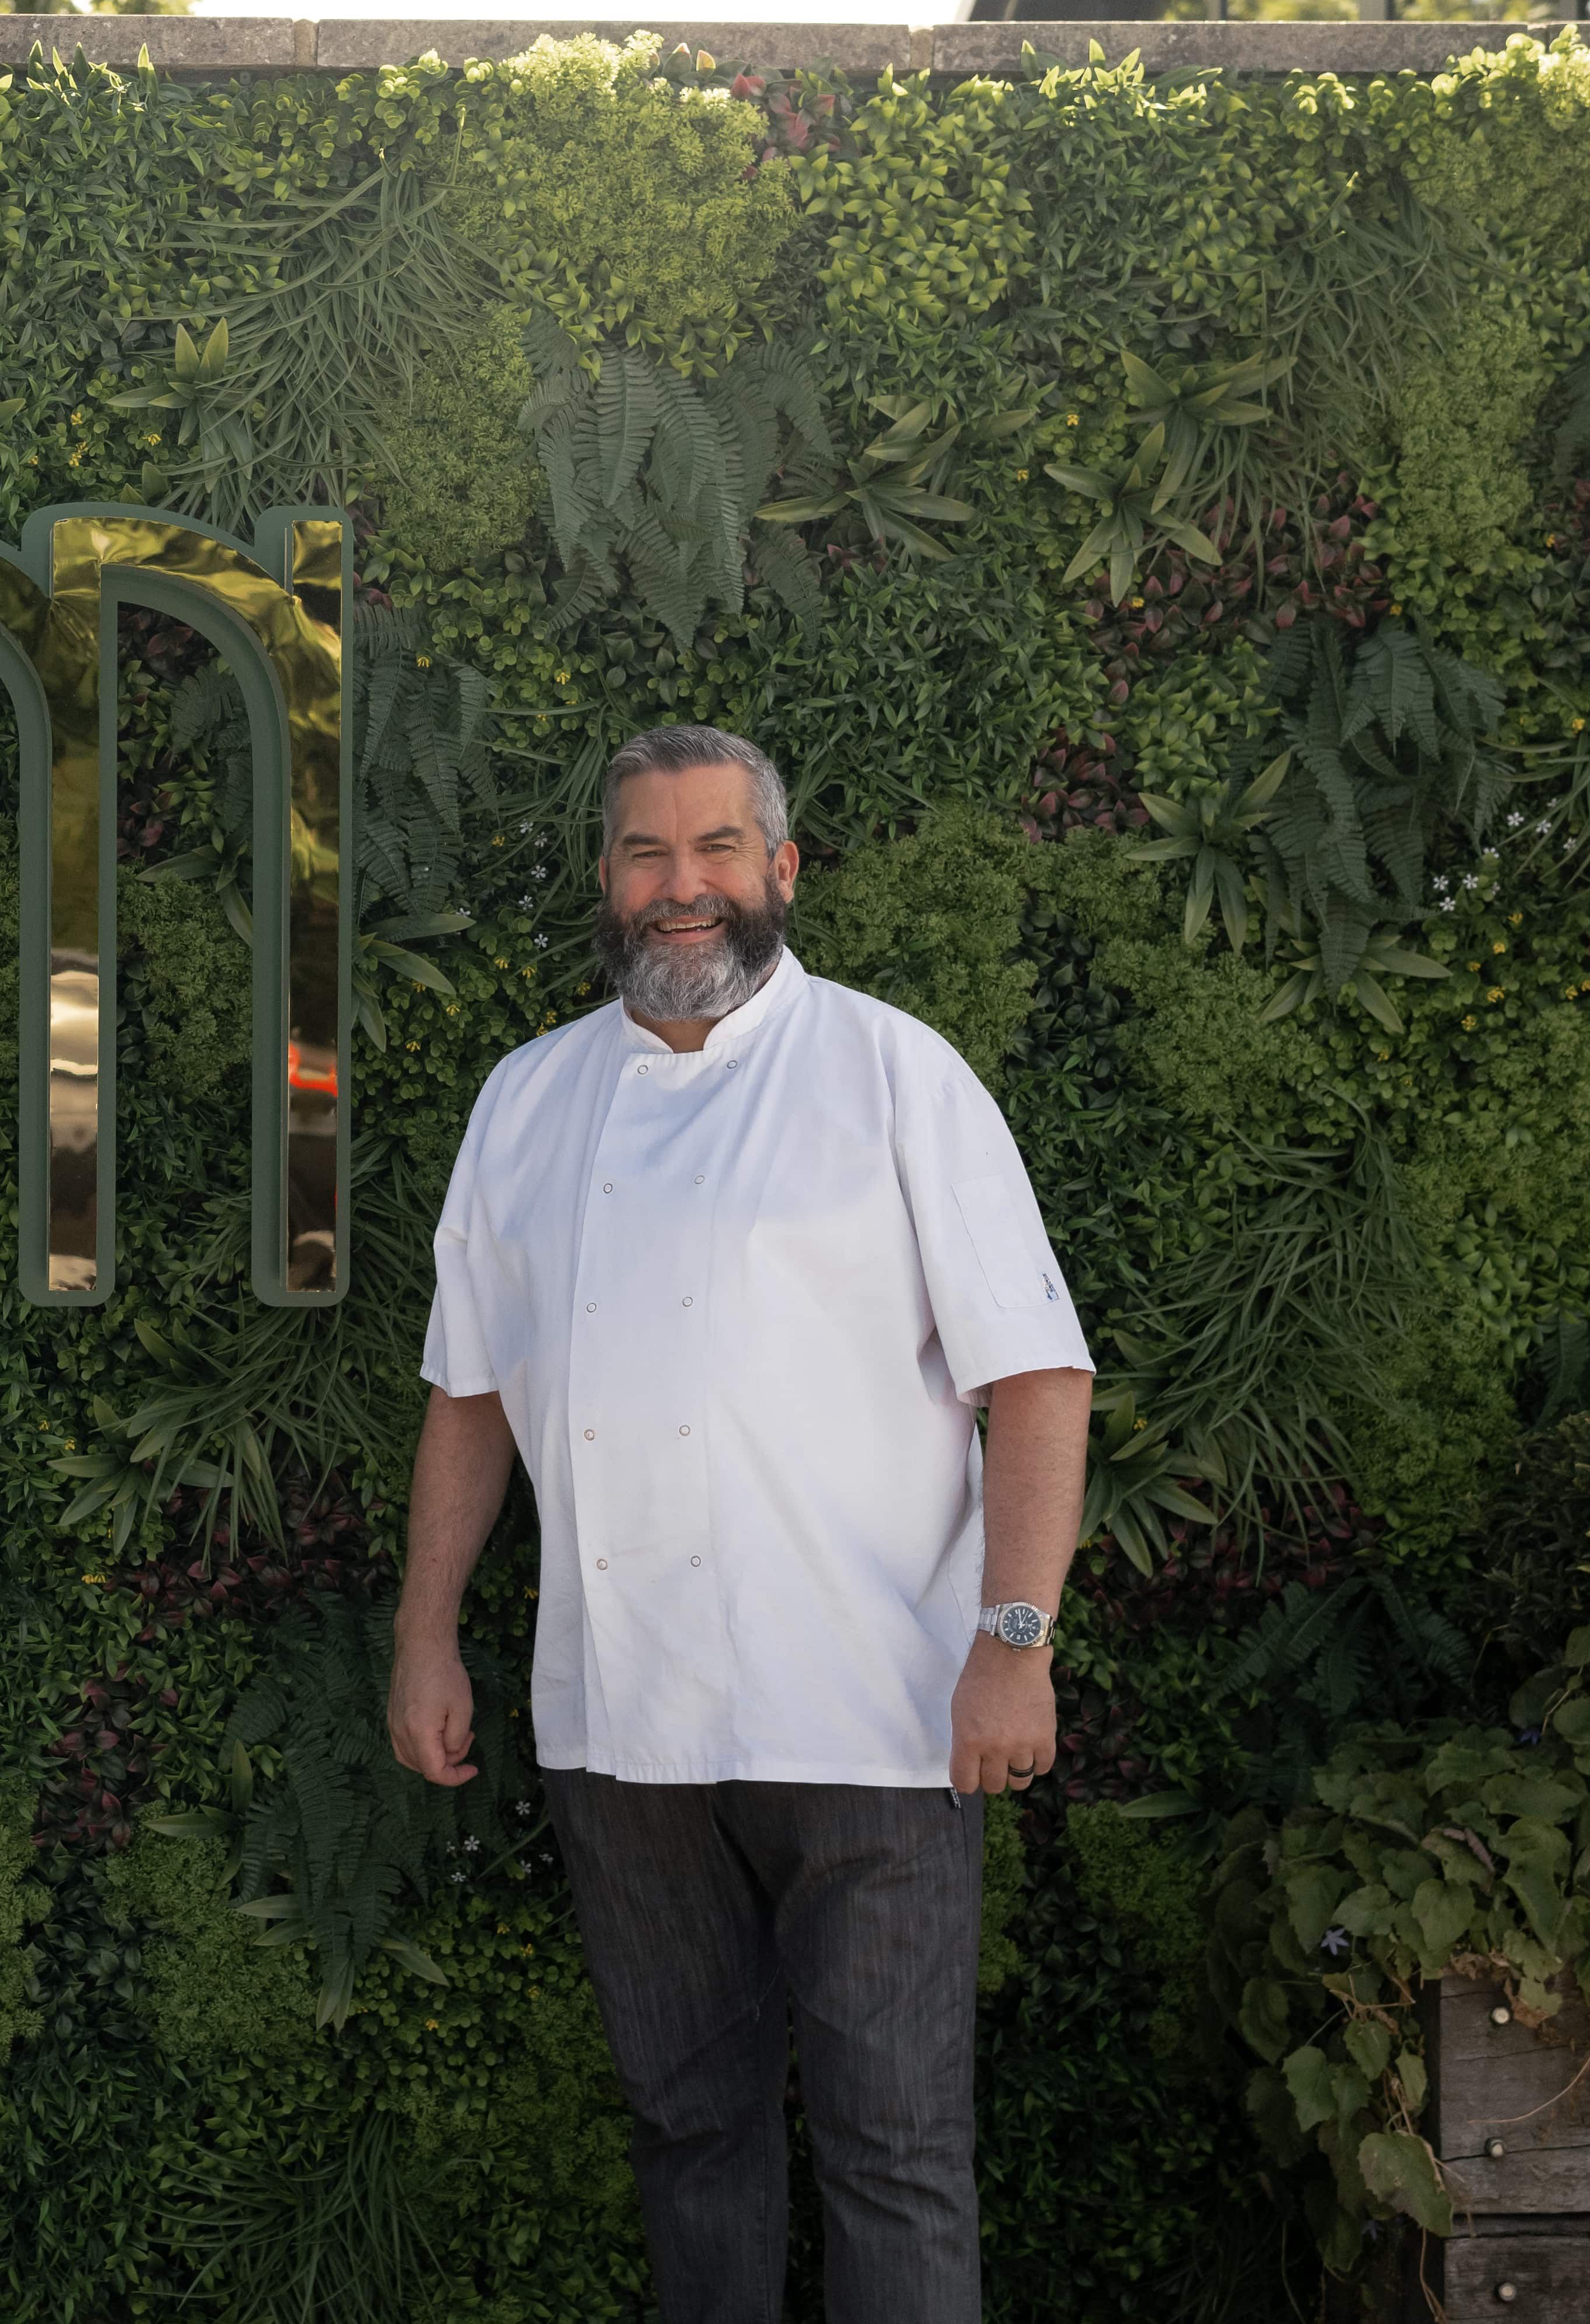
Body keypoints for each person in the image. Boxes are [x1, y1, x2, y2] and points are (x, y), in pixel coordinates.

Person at [385, 724, 1093, 2324]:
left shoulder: (892, 1072)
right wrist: (427, 1632)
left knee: (896, 2148)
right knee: (688, 2130)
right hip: (620, 1724)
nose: (680, 886)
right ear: (608, 881)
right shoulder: (528, 1100)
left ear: (781, 872)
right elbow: (470, 1398)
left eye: (717, 851)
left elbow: (1039, 1378)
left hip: (877, 1715)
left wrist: (1016, 1643)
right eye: (648, 853)